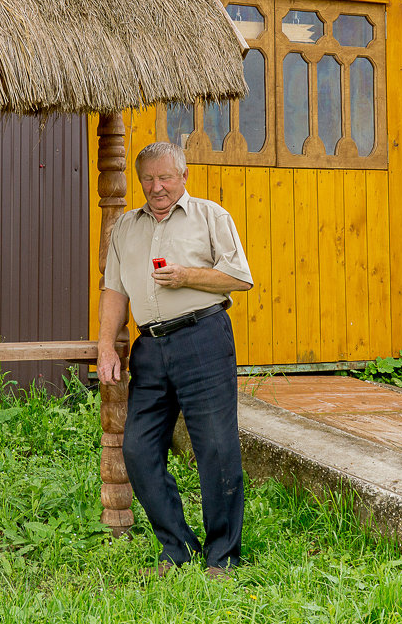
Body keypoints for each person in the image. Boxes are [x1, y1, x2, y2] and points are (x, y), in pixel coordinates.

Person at [97, 141, 254, 577]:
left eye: (165, 177)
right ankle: (177, 546)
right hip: (150, 348)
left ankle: (223, 555)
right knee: (138, 448)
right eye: (148, 178)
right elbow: (114, 290)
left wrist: (186, 275)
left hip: (203, 337)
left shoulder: (210, 216)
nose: (157, 187)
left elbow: (240, 278)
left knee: (217, 449)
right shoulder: (126, 227)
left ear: (183, 176)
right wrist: (106, 346)